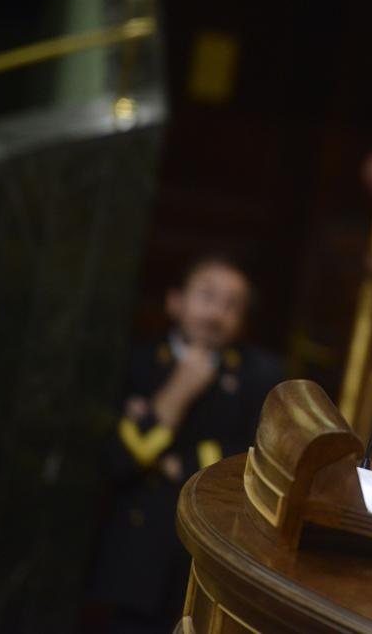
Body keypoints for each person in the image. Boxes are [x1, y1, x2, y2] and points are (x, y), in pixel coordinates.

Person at [85, 256, 282, 634]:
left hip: (204, 560)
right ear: (175, 301)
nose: (216, 313)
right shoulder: (139, 360)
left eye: (231, 305)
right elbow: (119, 460)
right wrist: (179, 390)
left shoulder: (259, 375)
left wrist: (179, 460)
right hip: (138, 558)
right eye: (207, 296)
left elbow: (252, 461)